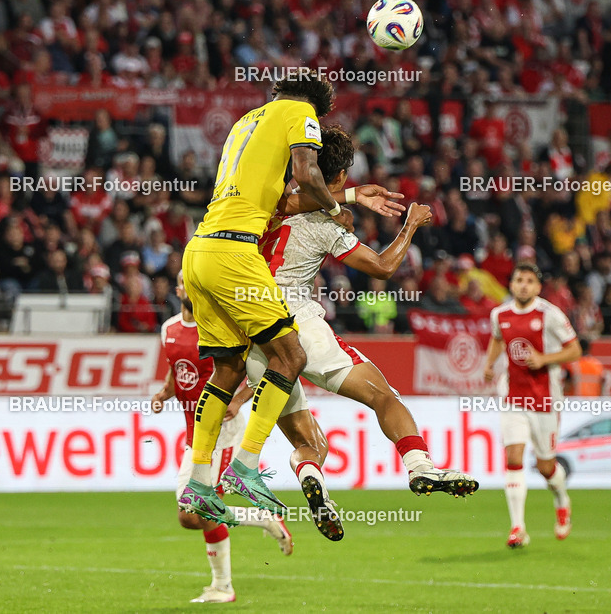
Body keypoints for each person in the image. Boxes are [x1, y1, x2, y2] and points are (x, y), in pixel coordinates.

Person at [237, 125, 478, 541]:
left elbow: (303, 199)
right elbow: (383, 267)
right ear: (341, 176)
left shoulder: (267, 205)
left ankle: (314, 483)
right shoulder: (325, 228)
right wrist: (412, 225)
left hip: (256, 335)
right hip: (300, 327)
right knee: (384, 395)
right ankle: (420, 466)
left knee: (312, 444)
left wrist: (343, 204)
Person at [177, 70, 355, 525]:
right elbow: (305, 171)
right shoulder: (301, 113)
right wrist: (338, 210)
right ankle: (245, 466)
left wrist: (346, 195)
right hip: (237, 251)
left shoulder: (245, 122)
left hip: (199, 251)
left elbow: (278, 197)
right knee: (290, 354)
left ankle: (199, 484)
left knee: (228, 367)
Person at [151, 272, 293, 604]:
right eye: (186, 282)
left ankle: (223, 587)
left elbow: (257, 368)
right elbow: (177, 369)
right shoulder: (169, 329)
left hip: (223, 433)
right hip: (195, 435)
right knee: (190, 516)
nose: (192, 287)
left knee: (197, 509)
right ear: (178, 289)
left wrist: (239, 400)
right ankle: (262, 519)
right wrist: (163, 393)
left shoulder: (219, 326)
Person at [482, 263, 581, 548]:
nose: (523, 285)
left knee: (545, 465)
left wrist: (544, 360)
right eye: (518, 280)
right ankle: (518, 528)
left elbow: (574, 349)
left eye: (529, 281)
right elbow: (498, 340)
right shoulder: (499, 314)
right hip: (513, 398)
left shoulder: (549, 315)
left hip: (545, 400)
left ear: (538, 287)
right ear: (511, 285)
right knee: (513, 458)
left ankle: (562, 500)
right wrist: (489, 364)